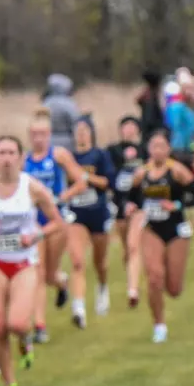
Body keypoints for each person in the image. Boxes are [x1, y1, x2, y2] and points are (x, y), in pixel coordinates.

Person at [0, 136, 63, 386]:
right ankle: (8, 383)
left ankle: (25, 340)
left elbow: (57, 222)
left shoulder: (33, 187)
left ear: (20, 158)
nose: (6, 158)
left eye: (11, 153)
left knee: (17, 323)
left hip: (24, 262)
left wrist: (36, 235)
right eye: (2, 153)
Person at [22, 110, 86, 340]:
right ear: (29, 135)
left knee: (49, 274)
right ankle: (39, 326)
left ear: (49, 134)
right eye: (35, 134)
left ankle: (61, 283)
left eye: (43, 134)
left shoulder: (58, 155)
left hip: (57, 220)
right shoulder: (24, 161)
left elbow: (81, 181)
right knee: (37, 273)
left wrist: (62, 197)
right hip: (34, 221)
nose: (39, 138)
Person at [132, 129, 194, 343]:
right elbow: (130, 197)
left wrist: (176, 205)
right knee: (154, 277)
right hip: (152, 228)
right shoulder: (142, 174)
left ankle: (172, 282)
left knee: (174, 288)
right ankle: (159, 325)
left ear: (168, 149)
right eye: (154, 146)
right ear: (148, 149)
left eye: (162, 146)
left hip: (176, 229)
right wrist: (130, 206)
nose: (157, 151)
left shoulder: (177, 171)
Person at [66, 118, 116, 328]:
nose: (81, 134)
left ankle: (102, 286)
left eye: (85, 130)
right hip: (76, 214)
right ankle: (79, 309)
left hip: (98, 212)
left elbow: (107, 182)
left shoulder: (100, 155)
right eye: (78, 131)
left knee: (99, 261)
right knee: (77, 261)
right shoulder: (68, 158)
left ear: (91, 133)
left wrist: (85, 177)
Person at [106, 117, 147, 308]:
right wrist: (122, 202)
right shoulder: (112, 151)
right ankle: (133, 276)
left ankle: (133, 290)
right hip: (120, 204)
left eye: (132, 126)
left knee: (133, 246)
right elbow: (110, 177)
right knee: (126, 248)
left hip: (140, 204)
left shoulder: (145, 150)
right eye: (125, 127)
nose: (129, 130)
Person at [42, 75, 80, 151]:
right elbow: (76, 122)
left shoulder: (46, 102)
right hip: (67, 141)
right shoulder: (68, 103)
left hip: (48, 140)